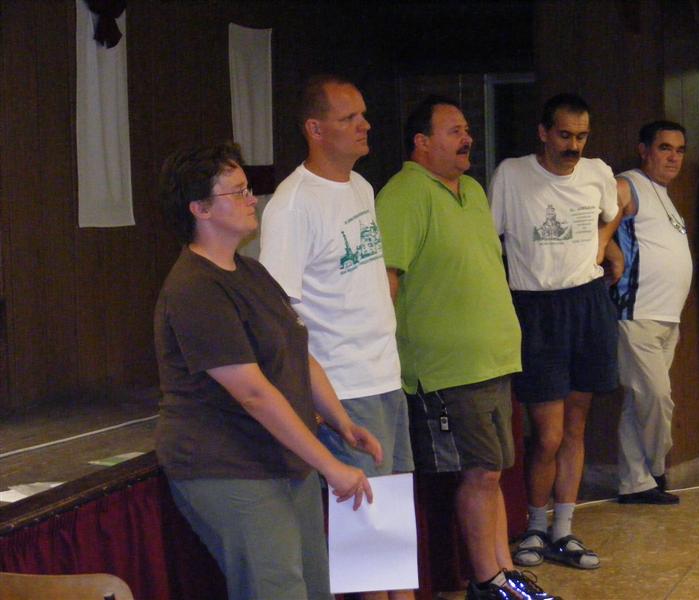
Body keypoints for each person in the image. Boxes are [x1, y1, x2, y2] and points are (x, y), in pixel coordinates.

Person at [154, 143, 382, 600]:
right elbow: (252, 393)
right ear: (200, 208)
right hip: (230, 465)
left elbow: (299, 353)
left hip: (281, 458)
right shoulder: (195, 288)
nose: (251, 199)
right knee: (277, 588)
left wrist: (341, 421)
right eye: (237, 192)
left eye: (248, 189)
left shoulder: (251, 272)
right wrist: (330, 466)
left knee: (315, 587)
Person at [377, 96, 560, 600]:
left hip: (493, 362)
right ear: (422, 142)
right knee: (479, 473)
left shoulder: (474, 190)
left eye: (467, 130)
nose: (468, 139)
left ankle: (505, 572)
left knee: (493, 473)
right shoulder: (403, 194)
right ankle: (487, 582)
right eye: (454, 131)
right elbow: (385, 282)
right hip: (446, 369)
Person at [259, 75, 414, 600]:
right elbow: (278, 314)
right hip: (344, 387)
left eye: (363, 114)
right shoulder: (292, 205)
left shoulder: (362, 187)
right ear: (315, 129)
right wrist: (318, 401)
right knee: (367, 542)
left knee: (393, 528)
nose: (365, 125)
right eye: (349, 118)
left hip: (386, 377)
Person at [489, 93, 619, 571]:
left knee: (576, 426)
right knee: (547, 433)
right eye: (565, 135)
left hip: (587, 303)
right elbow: (490, 239)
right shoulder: (512, 174)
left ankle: (564, 528)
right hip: (535, 308)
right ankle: (534, 526)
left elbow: (617, 207)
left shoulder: (598, 172)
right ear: (544, 132)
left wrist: (604, 243)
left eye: (581, 136)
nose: (573, 146)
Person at [608, 121, 691, 504]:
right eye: (664, 148)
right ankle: (657, 466)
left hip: (667, 316)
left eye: (679, 150)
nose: (674, 157)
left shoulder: (665, 195)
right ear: (644, 150)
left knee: (639, 401)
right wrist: (611, 253)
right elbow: (594, 225)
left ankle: (635, 482)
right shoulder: (628, 184)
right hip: (637, 312)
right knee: (657, 397)